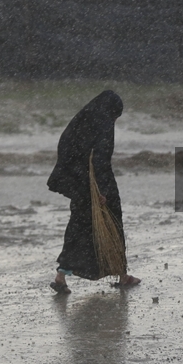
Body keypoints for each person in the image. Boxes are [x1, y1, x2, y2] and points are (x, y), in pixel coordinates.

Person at [47, 90, 141, 294]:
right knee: (112, 225)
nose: (114, 121)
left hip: (80, 185)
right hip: (97, 186)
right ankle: (122, 274)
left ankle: (61, 276)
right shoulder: (103, 124)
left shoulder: (81, 121)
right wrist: (102, 190)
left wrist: (80, 182)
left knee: (78, 228)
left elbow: (67, 151)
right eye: (116, 116)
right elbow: (100, 160)